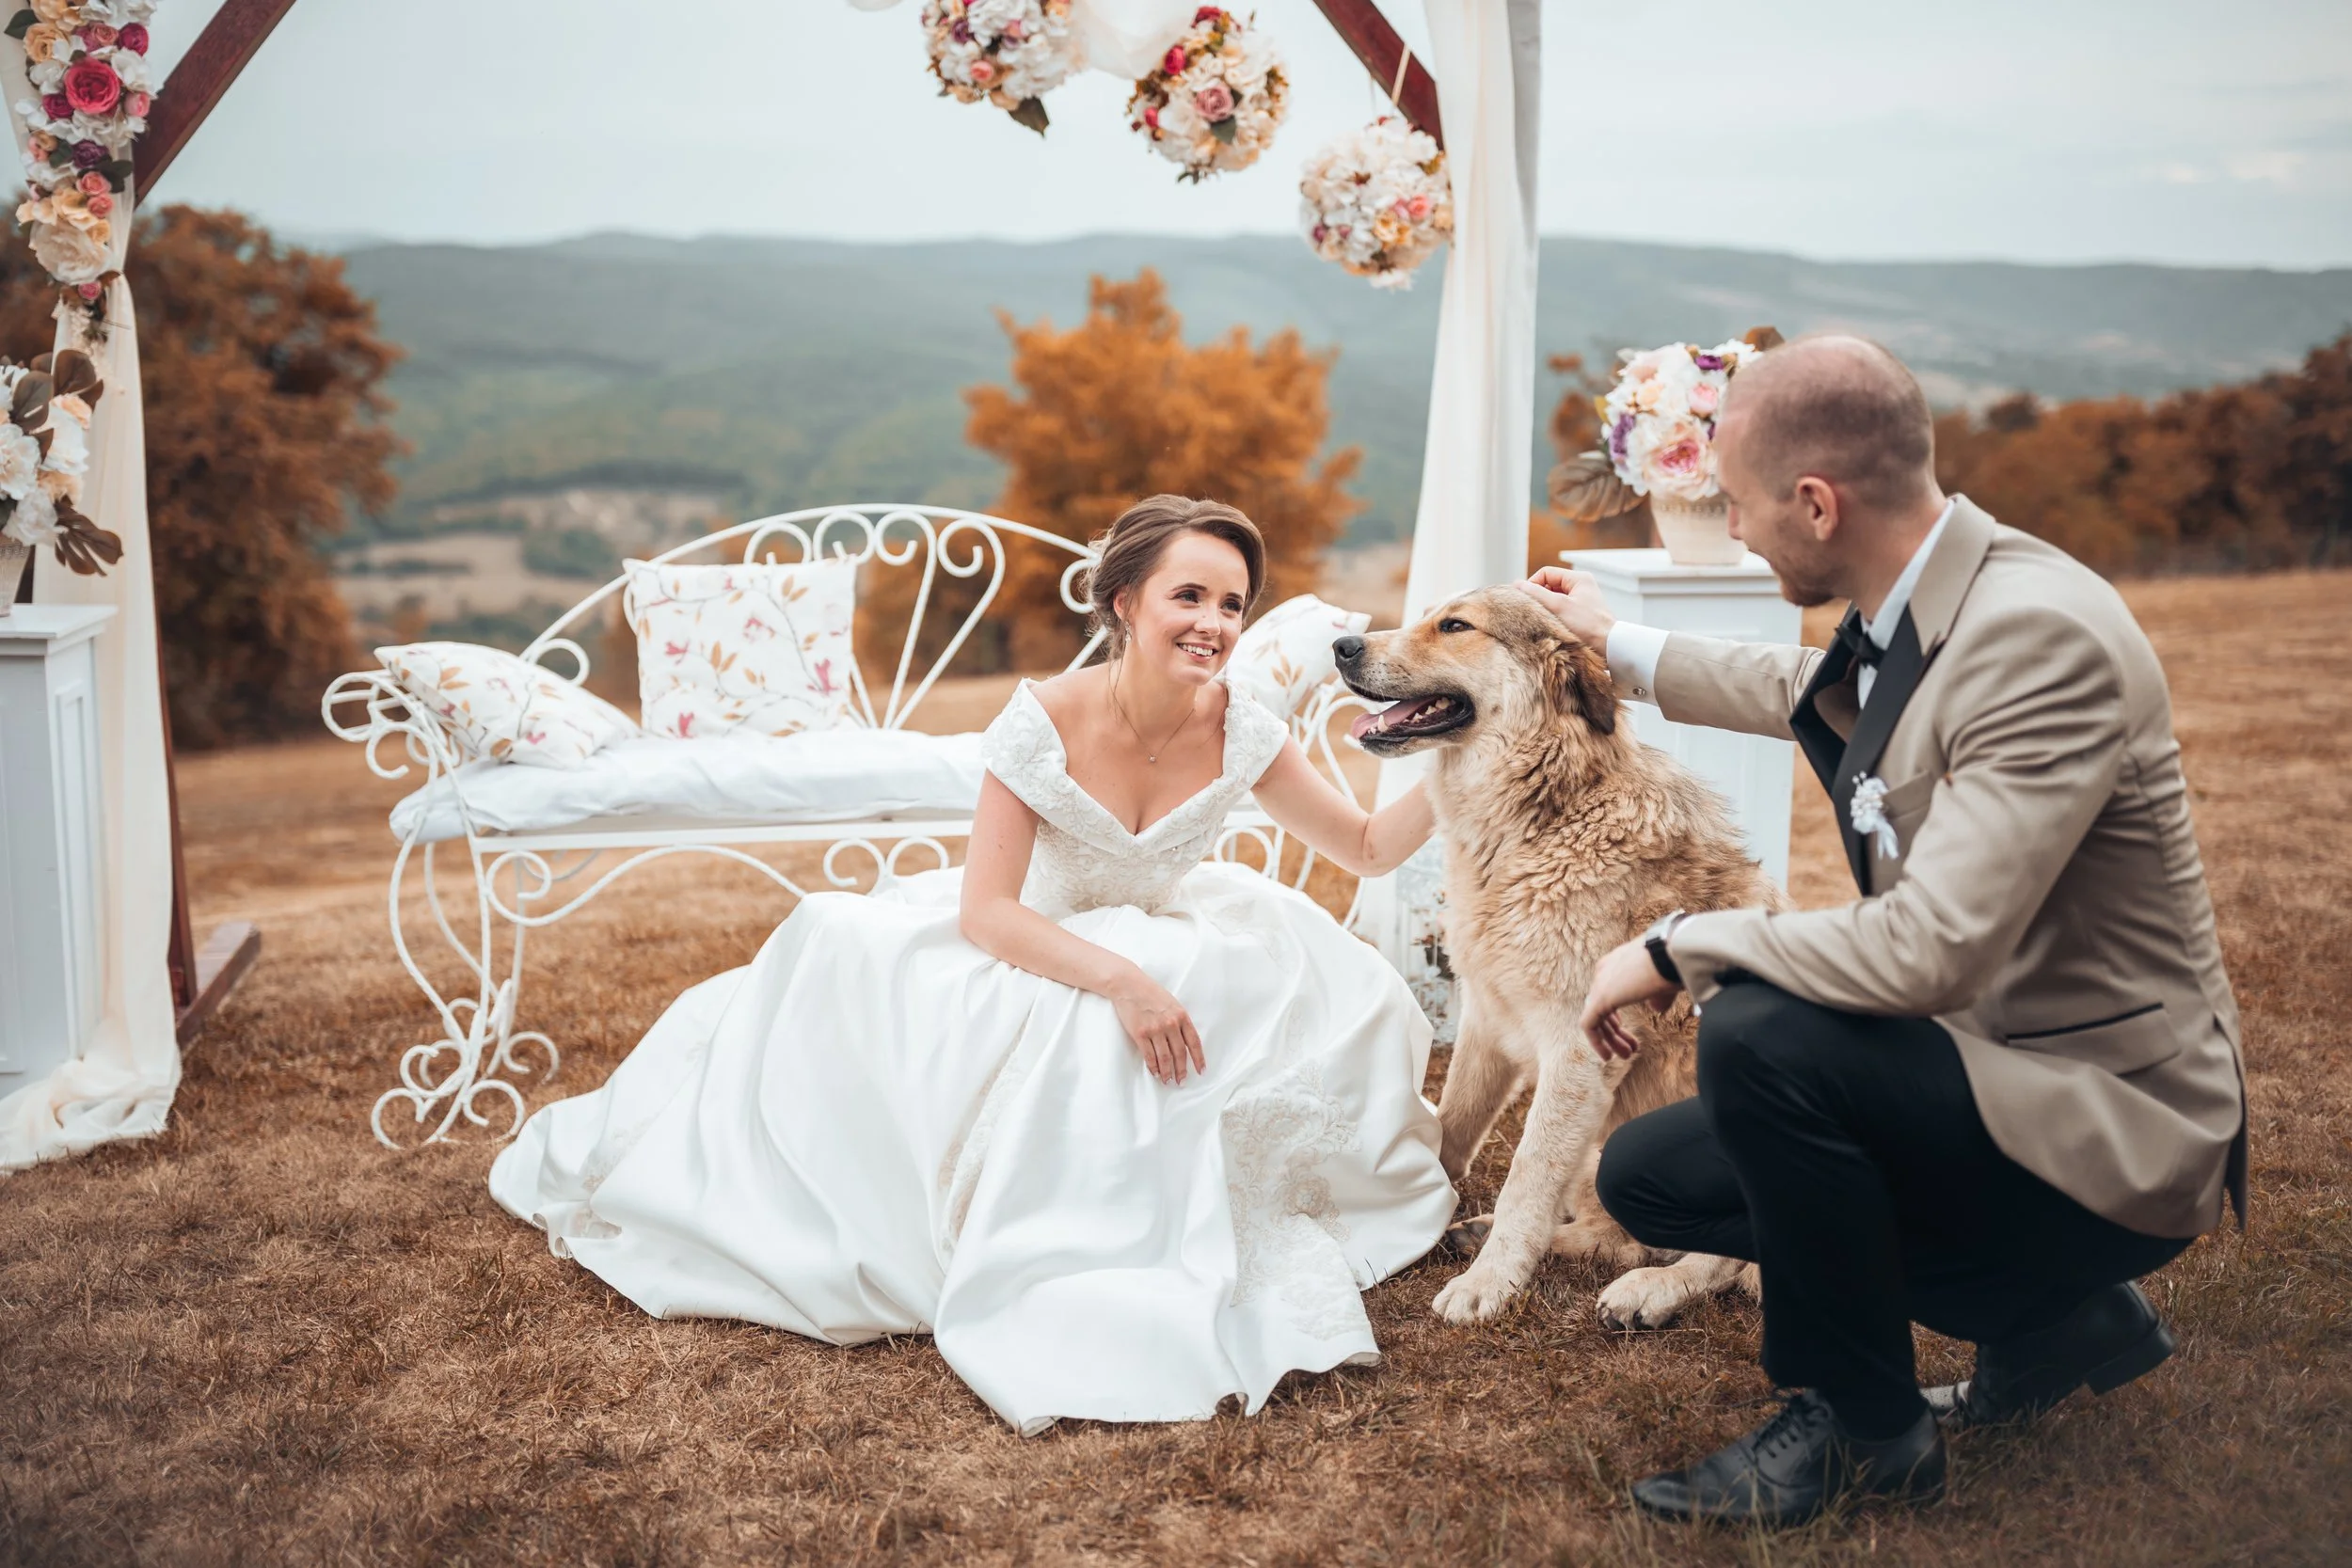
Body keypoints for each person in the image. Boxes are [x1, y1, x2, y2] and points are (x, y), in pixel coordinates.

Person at [490, 496, 1455, 1434]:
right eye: (1188, 596)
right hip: (1030, 941)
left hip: (1166, 925)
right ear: (1124, 601)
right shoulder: (1040, 719)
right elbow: (987, 910)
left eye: (1232, 604)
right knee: (1020, 1003)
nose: (1212, 623)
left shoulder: (1244, 725)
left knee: (1327, 989)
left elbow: (1367, 847)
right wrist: (1120, 978)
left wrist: (1461, 756)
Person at [1520, 336, 2247, 1528]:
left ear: (1817, 502)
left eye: (1742, 507)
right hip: (1981, 1060)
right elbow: (1812, 688)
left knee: (1758, 1032)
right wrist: (1619, 645)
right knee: (1653, 1174)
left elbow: (1930, 950)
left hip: (2111, 1117)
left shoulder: (2035, 635)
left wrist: (1673, 945)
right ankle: (2056, 1315)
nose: (1737, 533)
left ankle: (1858, 1426)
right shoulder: (1933, 587)